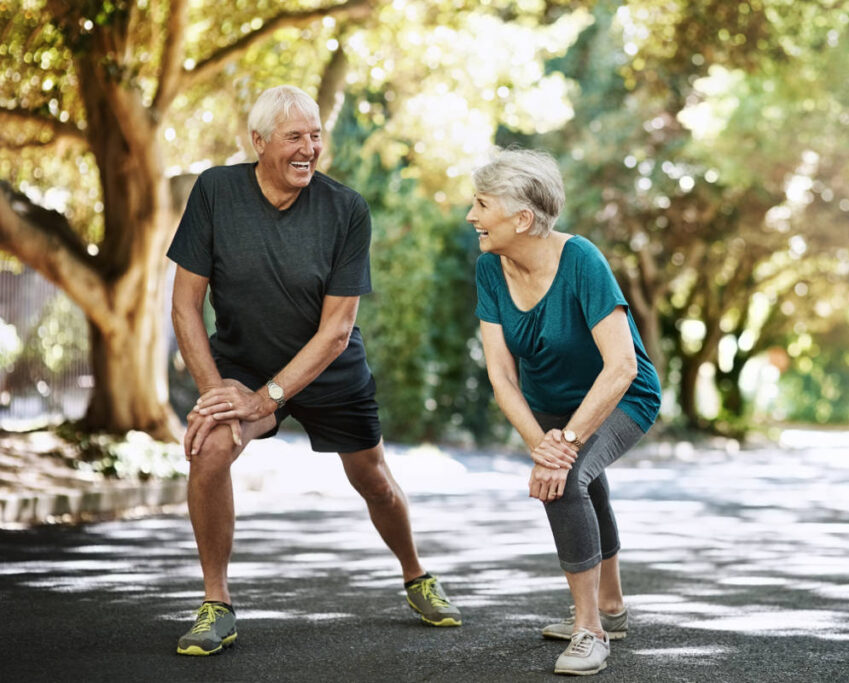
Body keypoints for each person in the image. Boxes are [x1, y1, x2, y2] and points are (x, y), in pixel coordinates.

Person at [167, 85, 461, 656]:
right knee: (209, 449)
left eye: (316, 135)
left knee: (373, 479)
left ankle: (415, 573)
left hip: (328, 369)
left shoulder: (345, 209)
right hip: (243, 364)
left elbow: (336, 331)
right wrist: (214, 396)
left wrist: (268, 398)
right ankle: (216, 604)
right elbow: (184, 305)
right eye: (294, 137)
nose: (309, 148)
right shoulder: (215, 191)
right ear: (257, 143)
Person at [468, 148, 661, 676]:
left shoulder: (581, 261)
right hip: (552, 410)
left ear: (522, 218)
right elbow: (502, 376)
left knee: (567, 478)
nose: (472, 216)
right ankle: (613, 609)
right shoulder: (490, 268)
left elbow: (621, 367)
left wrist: (563, 448)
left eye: (482, 204)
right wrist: (540, 442)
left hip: (622, 396)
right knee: (579, 477)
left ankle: (589, 630)